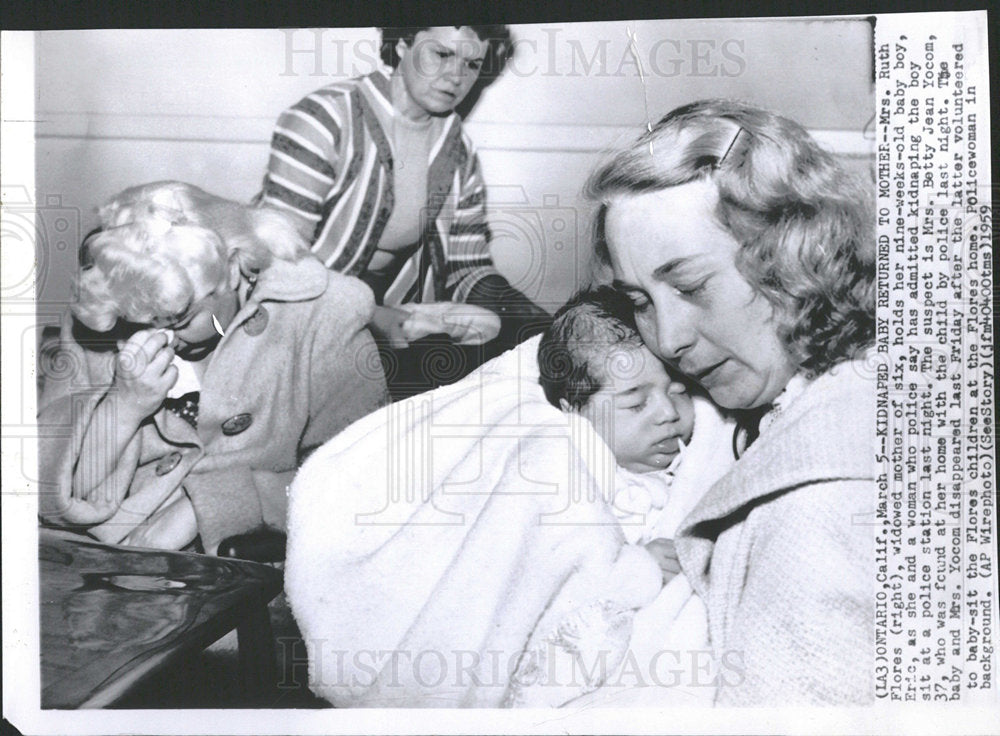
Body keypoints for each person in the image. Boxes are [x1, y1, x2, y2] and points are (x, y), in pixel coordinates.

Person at [585, 99, 876, 705]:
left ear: (793, 258)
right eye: (639, 300)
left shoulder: (814, 512)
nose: (668, 339)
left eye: (691, 287)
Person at [37, 181, 388, 555]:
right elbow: (43, 496)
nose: (164, 340)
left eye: (179, 319)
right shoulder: (102, 319)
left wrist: (215, 505)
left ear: (234, 269)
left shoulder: (321, 317)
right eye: (140, 321)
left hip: (260, 569)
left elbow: (363, 479)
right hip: (107, 564)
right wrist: (123, 407)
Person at [258, 25, 550, 396]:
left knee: (522, 371)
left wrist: (537, 324)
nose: (456, 76)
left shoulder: (458, 151)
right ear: (401, 44)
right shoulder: (324, 119)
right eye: (441, 55)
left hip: (404, 321)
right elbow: (280, 260)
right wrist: (370, 315)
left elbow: (468, 268)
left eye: (472, 64)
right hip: (301, 314)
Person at [537, 287, 697, 569]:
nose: (668, 413)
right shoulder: (572, 480)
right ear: (574, 412)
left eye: (678, 391)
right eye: (636, 404)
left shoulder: (710, 450)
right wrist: (635, 566)